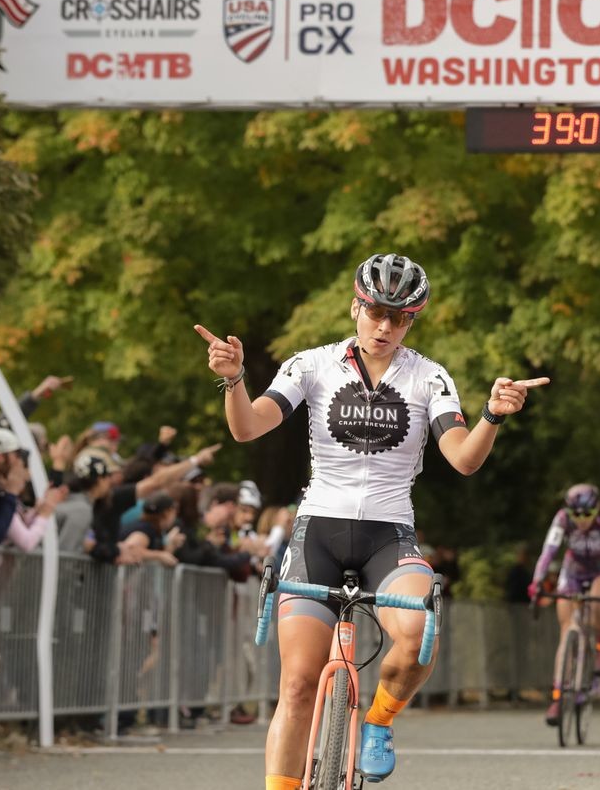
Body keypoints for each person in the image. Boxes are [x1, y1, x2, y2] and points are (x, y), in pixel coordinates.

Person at [196, 252, 547, 789]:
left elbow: (463, 459)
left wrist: (492, 416)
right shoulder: (310, 364)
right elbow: (248, 429)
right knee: (296, 685)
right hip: (318, 533)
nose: (385, 326)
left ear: (413, 320)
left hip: (390, 535)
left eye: (400, 317)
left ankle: (379, 719)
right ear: (356, 306)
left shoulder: (429, 376)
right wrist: (235, 380)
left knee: (419, 629)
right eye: (377, 311)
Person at [526, 483, 600, 725]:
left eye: (586, 514)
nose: (581, 519)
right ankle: (558, 696)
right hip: (573, 571)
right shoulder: (561, 519)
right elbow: (549, 551)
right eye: (575, 514)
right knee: (568, 630)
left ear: (597, 510)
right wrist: (537, 582)